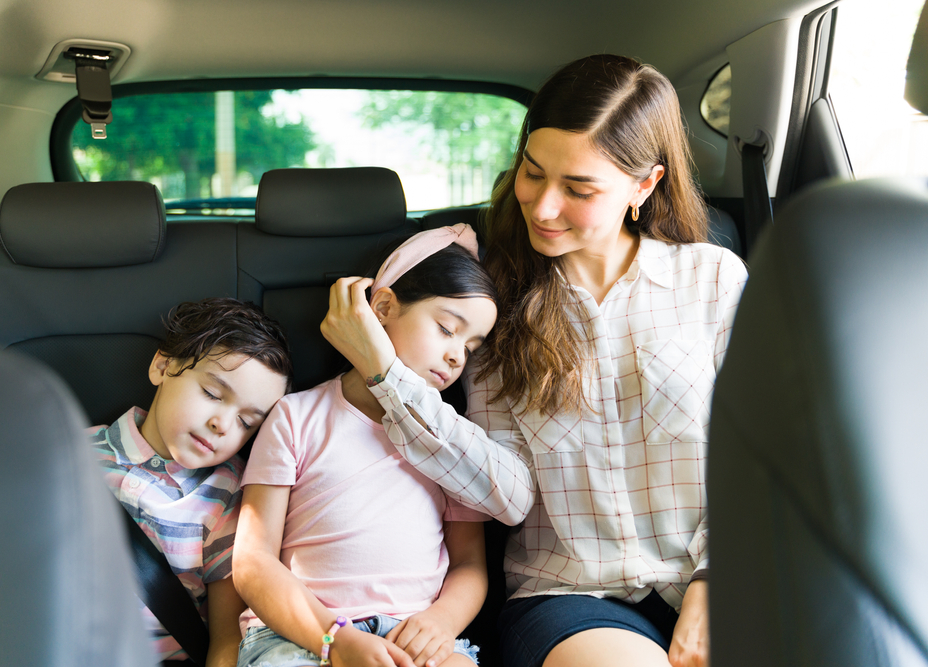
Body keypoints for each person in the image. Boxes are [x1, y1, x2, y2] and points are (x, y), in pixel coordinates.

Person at [321, 54, 749, 667]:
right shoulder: (495, 307)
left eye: (578, 189)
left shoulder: (712, 278)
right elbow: (510, 495)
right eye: (532, 172)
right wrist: (385, 373)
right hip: (571, 593)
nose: (543, 207)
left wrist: (715, 580)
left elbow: (764, 453)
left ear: (644, 185)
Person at [232, 225, 497, 667]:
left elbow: (469, 565)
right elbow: (253, 562)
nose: (457, 356)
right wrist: (335, 640)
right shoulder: (297, 417)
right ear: (385, 305)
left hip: (415, 634)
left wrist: (441, 623)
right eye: (447, 329)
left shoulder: (453, 441)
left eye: (471, 347)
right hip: (299, 633)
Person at [90, 297, 293, 667]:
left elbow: (226, 637)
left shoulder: (228, 496)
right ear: (163, 365)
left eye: (248, 422)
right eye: (212, 394)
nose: (223, 424)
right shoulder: (67, 450)